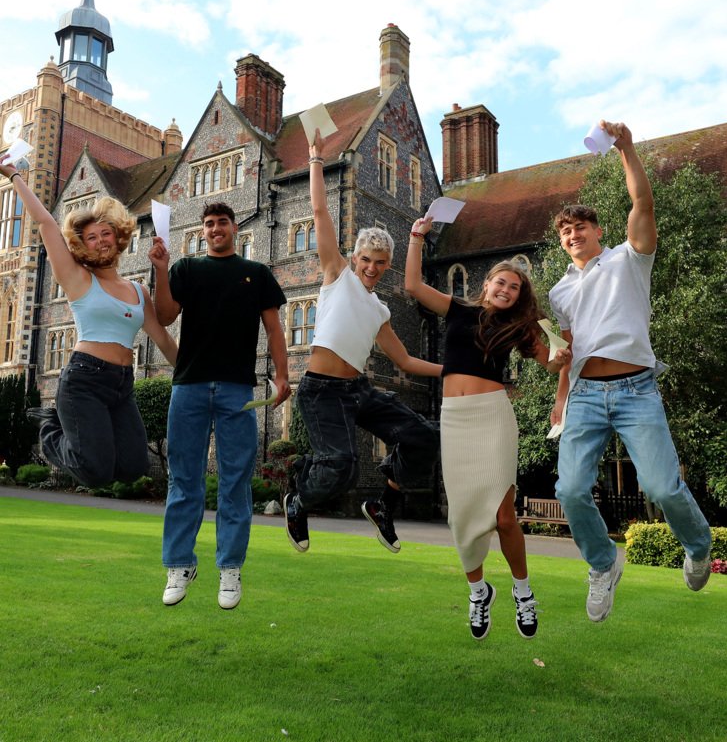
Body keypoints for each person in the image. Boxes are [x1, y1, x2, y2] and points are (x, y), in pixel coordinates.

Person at [549, 120, 713, 623]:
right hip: (584, 396)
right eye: (565, 231)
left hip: (637, 389)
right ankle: (603, 566)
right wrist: (560, 397)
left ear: (599, 231)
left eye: (581, 227)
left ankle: (698, 545)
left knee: (663, 488)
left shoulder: (627, 260)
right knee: (570, 490)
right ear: (561, 242)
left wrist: (627, 150)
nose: (573, 234)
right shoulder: (558, 293)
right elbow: (569, 349)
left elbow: (642, 205)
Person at [406, 217, 571, 640]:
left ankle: (523, 591)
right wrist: (416, 237)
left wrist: (560, 344)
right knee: (461, 519)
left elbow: (553, 363)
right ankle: (479, 592)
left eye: (514, 287)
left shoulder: (518, 328)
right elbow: (413, 287)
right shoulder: (458, 308)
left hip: (493, 416)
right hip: (455, 419)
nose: (506, 290)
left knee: (503, 516)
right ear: (486, 284)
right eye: (501, 282)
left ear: (519, 296)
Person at [283, 132, 441, 555]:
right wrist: (316, 159)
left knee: (423, 436)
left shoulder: (380, 311)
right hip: (321, 392)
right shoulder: (337, 277)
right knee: (342, 465)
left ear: (388, 266)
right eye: (366, 260)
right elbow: (319, 212)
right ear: (355, 259)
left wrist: (452, 369)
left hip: (359, 392)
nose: (372, 268)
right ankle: (297, 500)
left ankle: (383, 505)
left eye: (380, 263)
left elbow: (405, 359)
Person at [0, 158, 177, 488]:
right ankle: (51, 427)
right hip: (84, 380)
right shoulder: (78, 279)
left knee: (133, 467)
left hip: (122, 385)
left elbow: (163, 340)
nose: (100, 241)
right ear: (82, 245)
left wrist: (198, 374)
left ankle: (66, 426)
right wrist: (15, 176)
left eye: (105, 233)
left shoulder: (138, 291)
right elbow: (47, 224)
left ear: (119, 236)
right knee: (95, 472)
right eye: (91, 237)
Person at [149, 202, 290, 610]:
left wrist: (282, 375)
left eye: (221, 223)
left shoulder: (257, 274)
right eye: (208, 224)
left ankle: (230, 568)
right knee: (183, 480)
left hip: (236, 390)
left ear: (233, 228)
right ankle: (179, 564)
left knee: (235, 483)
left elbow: (275, 328)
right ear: (202, 231)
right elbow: (165, 314)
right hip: (189, 385)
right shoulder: (187, 270)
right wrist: (161, 269)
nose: (215, 229)